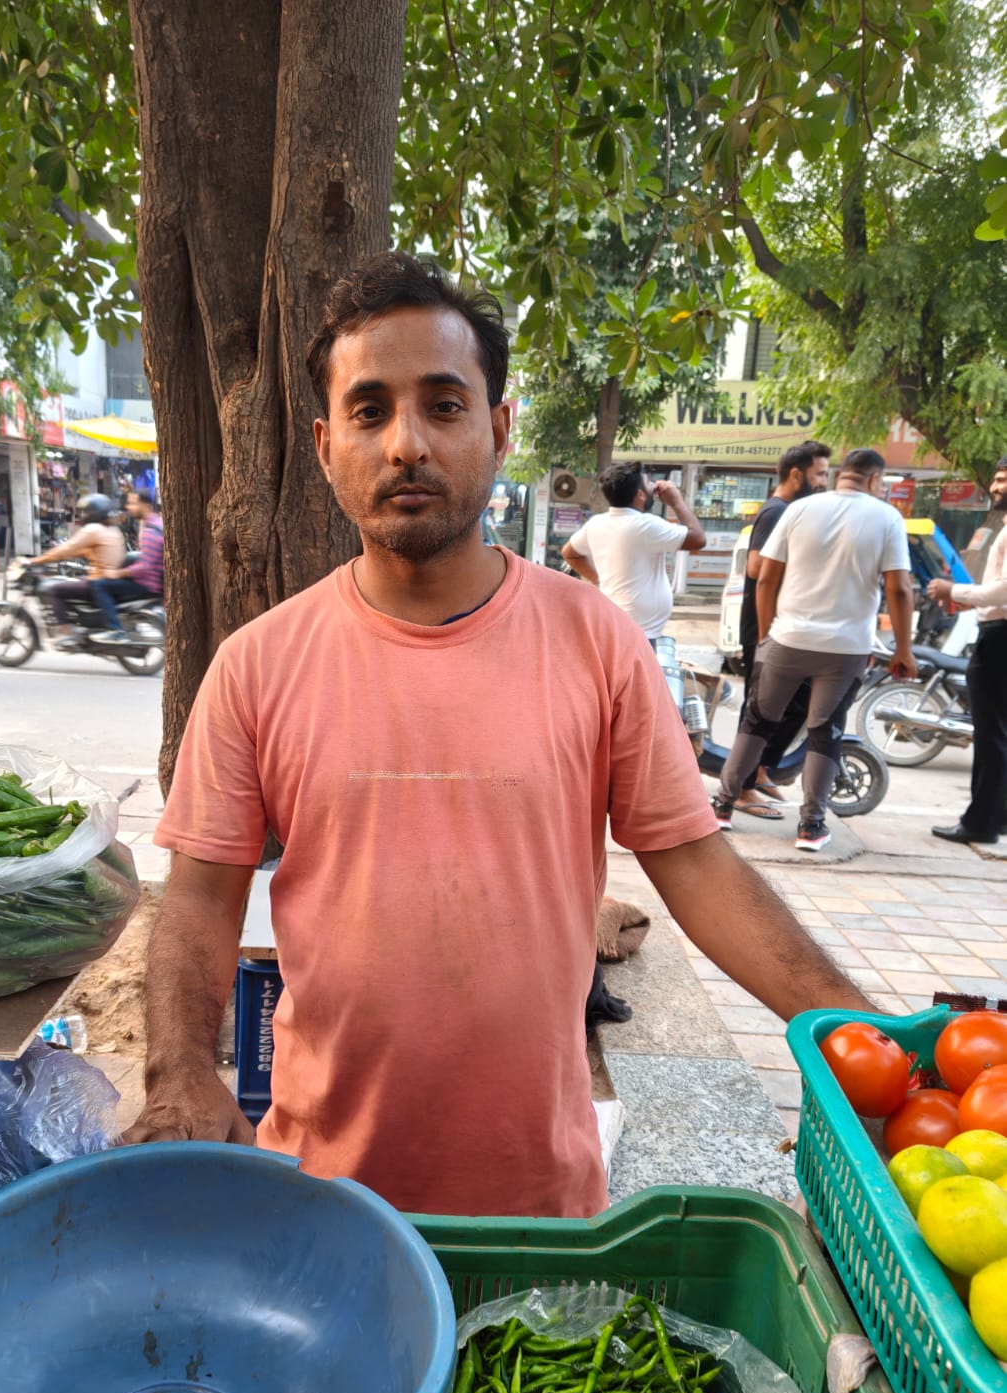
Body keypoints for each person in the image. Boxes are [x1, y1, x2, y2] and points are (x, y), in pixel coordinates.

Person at [126, 249, 869, 1219]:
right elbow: (197, 902)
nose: (405, 444)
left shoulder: (593, 639)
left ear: (500, 425)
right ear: (323, 444)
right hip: (319, 1204)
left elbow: (698, 869)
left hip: (541, 1210)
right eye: (368, 410)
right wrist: (178, 1072)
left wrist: (861, 1034)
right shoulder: (258, 663)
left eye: (442, 404)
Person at [713, 448, 916, 853]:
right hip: (846, 649)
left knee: (757, 721)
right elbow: (898, 587)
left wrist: (768, 633)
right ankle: (811, 826)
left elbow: (766, 578)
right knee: (825, 731)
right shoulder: (887, 518)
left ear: (841, 475)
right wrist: (904, 650)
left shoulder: (800, 510)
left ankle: (721, 806)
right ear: (875, 480)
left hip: (788, 639)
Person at [733, 442, 832, 820]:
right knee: (762, 709)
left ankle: (758, 771)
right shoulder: (777, 512)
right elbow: (758, 568)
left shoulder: (788, 511)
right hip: (766, 627)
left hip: (781, 627)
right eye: (820, 474)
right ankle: (742, 788)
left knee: (790, 705)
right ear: (796, 474)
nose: (824, 482)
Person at [926, 458, 1007, 845]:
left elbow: (1001, 592)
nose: (995, 487)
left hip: (1000, 637)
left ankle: (980, 823)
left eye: (1003, 480)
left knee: (990, 735)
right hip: (995, 632)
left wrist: (951, 590)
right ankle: (996, 817)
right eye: (995, 479)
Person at [559, 462, 706, 642]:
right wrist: (676, 501)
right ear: (640, 495)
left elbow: (569, 553)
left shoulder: (597, 523)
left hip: (617, 624)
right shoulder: (646, 525)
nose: (654, 486)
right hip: (640, 634)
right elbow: (698, 539)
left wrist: (599, 580)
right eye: (648, 483)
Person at [26, 493, 127, 649]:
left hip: (99, 579)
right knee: (72, 582)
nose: (83, 515)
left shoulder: (93, 529)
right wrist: (66, 555)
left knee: (55, 590)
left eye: (85, 512)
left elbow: (66, 549)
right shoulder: (113, 530)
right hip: (108, 579)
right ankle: (79, 624)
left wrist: (37, 560)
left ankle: (68, 633)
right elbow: (86, 551)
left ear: (94, 512)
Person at [90, 489, 164, 643]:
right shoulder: (155, 524)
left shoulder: (151, 531)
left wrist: (117, 574)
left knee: (100, 586)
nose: (128, 507)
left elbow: (145, 566)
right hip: (149, 581)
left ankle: (116, 630)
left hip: (146, 584)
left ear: (145, 505)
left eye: (132, 503)